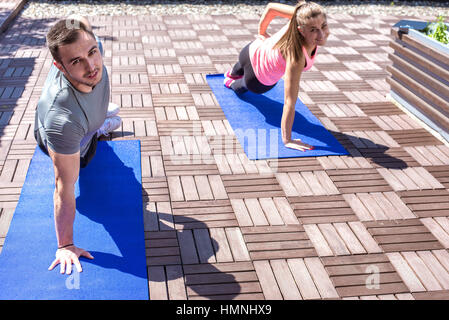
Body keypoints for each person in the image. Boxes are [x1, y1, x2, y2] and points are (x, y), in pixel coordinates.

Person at [34, 15, 122, 274]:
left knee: (110, 114)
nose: (91, 65)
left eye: (92, 52)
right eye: (76, 61)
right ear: (60, 67)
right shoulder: (62, 120)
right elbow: (64, 186)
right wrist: (66, 245)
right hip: (71, 135)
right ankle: (97, 129)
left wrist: (79, 26)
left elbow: (77, 20)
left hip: (84, 116)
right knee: (84, 151)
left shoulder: (89, 48)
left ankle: (99, 122)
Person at [224, 1, 330, 151]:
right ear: (301, 30)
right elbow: (289, 102)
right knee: (241, 87)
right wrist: (287, 140)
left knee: (240, 66)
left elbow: (271, 8)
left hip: (251, 49)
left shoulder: (300, 16)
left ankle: (232, 73)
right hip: (257, 80)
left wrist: (262, 33)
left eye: (324, 26)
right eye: (313, 30)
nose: (321, 34)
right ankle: (231, 82)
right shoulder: (297, 57)